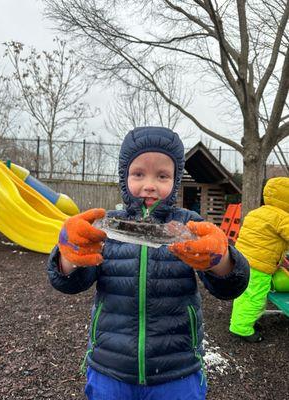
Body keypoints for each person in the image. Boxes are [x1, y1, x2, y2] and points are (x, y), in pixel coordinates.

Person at [47, 127, 249, 400]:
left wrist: (221, 260)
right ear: (124, 177)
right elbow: (69, 282)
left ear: (175, 180)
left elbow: (230, 287)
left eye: (162, 175)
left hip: (178, 370)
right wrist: (67, 255)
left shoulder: (190, 226)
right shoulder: (107, 226)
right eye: (138, 173)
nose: (150, 184)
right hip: (110, 367)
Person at [229, 177, 289, 343]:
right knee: (256, 297)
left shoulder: (257, 212)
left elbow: (264, 240)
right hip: (259, 266)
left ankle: (243, 321)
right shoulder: (282, 218)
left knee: (244, 294)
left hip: (241, 261)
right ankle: (242, 329)